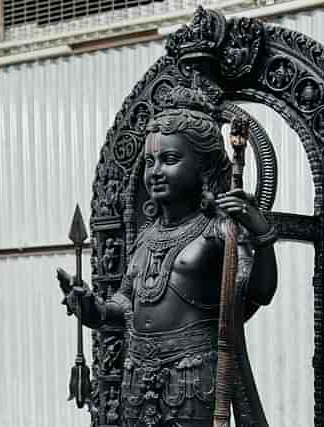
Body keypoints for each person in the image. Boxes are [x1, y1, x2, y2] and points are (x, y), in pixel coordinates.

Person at [62, 86, 278, 426]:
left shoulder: (218, 229)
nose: (156, 171)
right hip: (137, 373)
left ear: (203, 168)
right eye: (150, 162)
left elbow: (259, 291)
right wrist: (96, 310)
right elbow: (126, 302)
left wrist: (262, 234)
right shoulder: (147, 236)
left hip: (191, 372)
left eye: (170, 160)